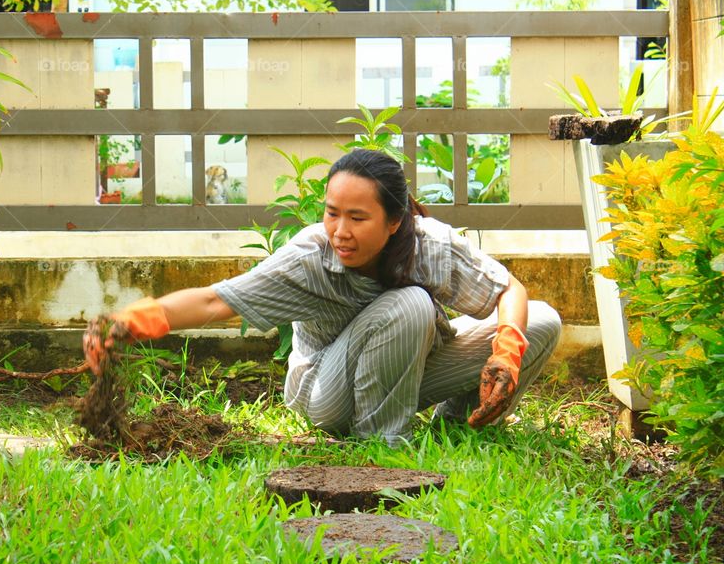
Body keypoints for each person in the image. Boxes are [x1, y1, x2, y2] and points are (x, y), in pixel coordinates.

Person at [84, 148, 562, 446]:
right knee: (410, 305)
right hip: (325, 393)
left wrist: (506, 354)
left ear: (395, 222)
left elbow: (508, 290)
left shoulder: (429, 245)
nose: (340, 231)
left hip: (407, 366)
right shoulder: (309, 258)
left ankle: (461, 422)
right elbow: (216, 301)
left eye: (358, 217)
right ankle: (383, 443)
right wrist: (131, 320)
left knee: (539, 321)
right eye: (332, 213)